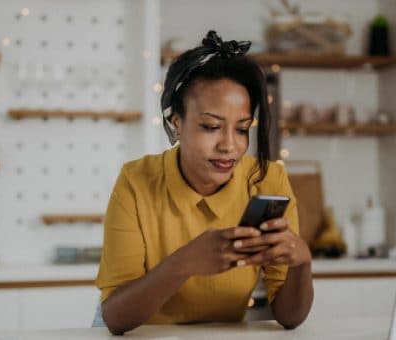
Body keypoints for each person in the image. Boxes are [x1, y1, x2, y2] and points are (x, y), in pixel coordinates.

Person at [95, 30, 313, 335]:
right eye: (211, 126)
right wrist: (184, 263)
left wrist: (301, 263)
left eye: (242, 129)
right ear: (177, 123)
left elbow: (290, 317)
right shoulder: (136, 181)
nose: (229, 146)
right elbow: (115, 317)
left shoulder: (266, 179)